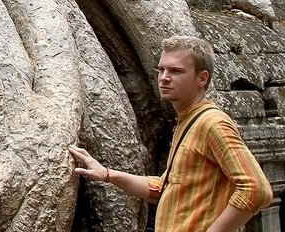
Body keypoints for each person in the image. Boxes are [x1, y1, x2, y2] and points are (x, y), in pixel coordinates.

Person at [69, 35, 272, 232]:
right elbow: (163, 187)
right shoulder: (188, 123)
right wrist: (107, 174)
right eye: (162, 69)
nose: (164, 78)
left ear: (202, 78)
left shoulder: (213, 124)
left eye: (176, 71)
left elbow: (256, 190)